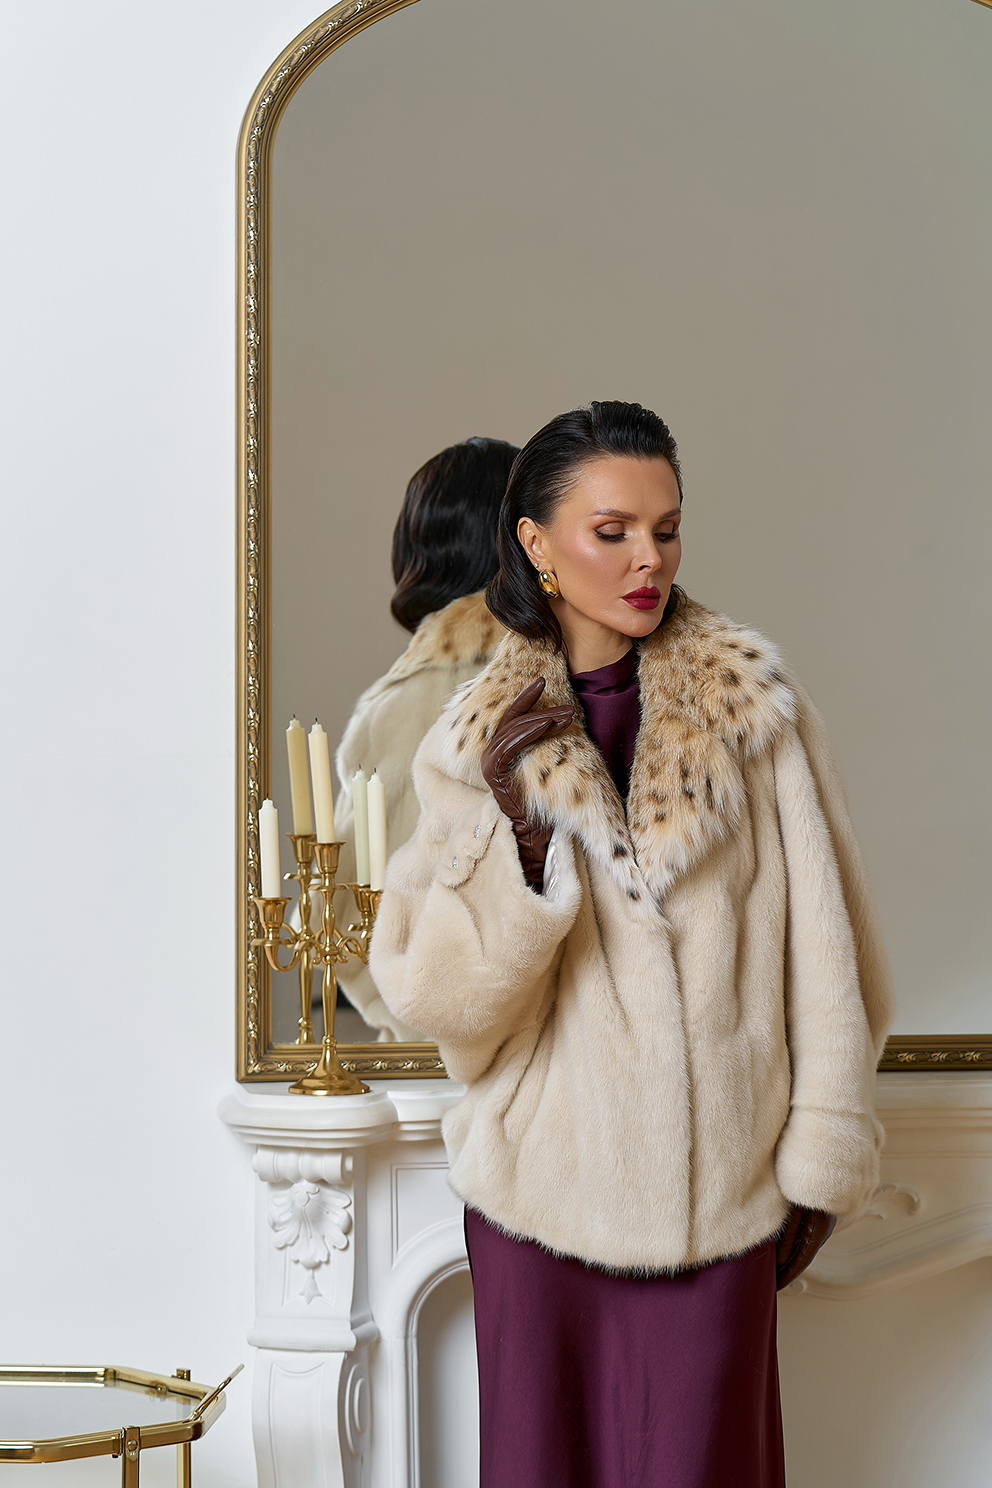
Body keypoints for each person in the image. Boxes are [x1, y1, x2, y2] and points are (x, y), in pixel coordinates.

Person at [370, 402, 893, 1486]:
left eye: (666, 528)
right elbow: (437, 997)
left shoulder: (757, 712)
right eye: (612, 531)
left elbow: (832, 953)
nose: (648, 558)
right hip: (539, 1205)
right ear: (535, 542)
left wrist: (820, 1153)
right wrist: (519, 842)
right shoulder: (473, 736)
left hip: (723, 1204)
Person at [334, 436, 517, 1039]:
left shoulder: (392, 712)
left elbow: (343, 909)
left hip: (430, 1061)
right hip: (563, 1064)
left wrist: (414, 1034)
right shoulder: (589, 681)